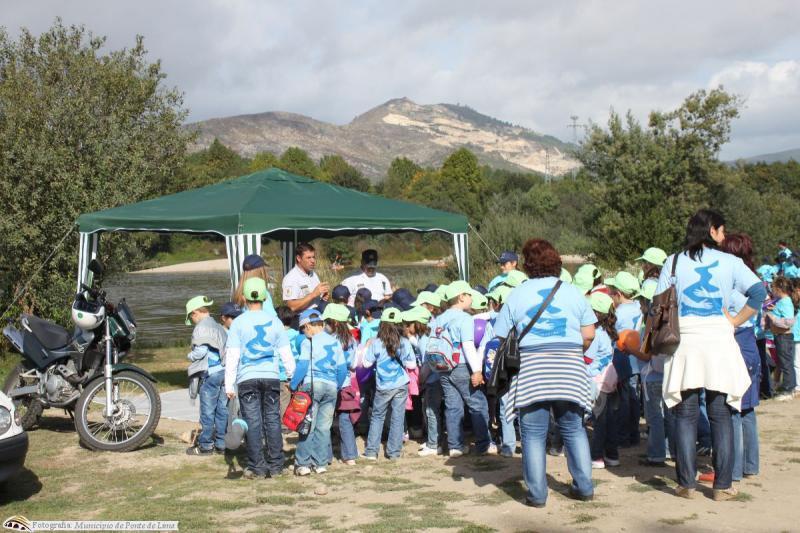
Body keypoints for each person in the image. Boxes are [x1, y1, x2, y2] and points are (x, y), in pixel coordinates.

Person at [656, 209, 765, 501]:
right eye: (722, 230)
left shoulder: (673, 261)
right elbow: (758, 292)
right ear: (712, 231)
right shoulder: (731, 262)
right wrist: (736, 320)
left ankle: (686, 484)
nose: (724, 235)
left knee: (685, 414)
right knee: (721, 414)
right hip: (719, 339)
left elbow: (658, 303)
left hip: (684, 340)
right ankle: (723, 486)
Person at [493, 238, 596, 507]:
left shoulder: (518, 293)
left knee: (533, 434)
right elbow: (589, 334)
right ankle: (584, 486)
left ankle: (537, 495)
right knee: (574, 429)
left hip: (532, 370)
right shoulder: (573, 292)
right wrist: (571, 349)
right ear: (556, 261)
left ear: (527, 264)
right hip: (570, 368)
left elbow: (501, 335)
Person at [224, 278, 296, 479]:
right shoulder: (275, 322)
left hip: (247, 378)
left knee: (253, 422)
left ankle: (257, 467)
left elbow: (232, 356)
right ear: (265, 297)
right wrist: (292, 377)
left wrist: (229, 384)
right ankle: (276, 465)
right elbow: (286, 353)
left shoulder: (238, 323)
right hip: (271, 377)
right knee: (272, 420)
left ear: (244, 298)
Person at [436, 280, 493, 456]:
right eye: (469, 295)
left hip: (442, 367)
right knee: (478, 404)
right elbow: (468, 346)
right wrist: (477, 371)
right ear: (461, 297)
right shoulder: (465, 318)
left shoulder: (439, 319)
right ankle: (484, 444)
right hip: (461, 365)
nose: (471, 299)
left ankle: (455, 446)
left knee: (452, 406)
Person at [290, 308, 349, 475]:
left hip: (312, 386)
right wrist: (336, 385)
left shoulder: (307, 342)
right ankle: (320, 463)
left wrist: (293, 385)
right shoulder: (335, 342)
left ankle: (303, 464)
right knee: (324, 427)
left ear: (308, 326)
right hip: (331, 387)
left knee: (307, 425)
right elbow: (342, 369)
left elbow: (302, 366)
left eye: (303, 329)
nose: (303, 332)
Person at [362, 308, 417, 460]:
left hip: (383, 385)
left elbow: (366, 364)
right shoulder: (404, 342)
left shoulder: (376, 343)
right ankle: (394, 452)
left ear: (382, 325)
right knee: (398, 417)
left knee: (377, 416)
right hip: (401, 384)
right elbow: (412, 365)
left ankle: (371, 452)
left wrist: (367, 346)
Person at [185, 296, 228, 456]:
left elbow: (201, 351)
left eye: (191, 317)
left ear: (195, 313)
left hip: (211, 374)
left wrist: (190, 356)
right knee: (222, 410)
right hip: (225, 372)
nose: (192, 320)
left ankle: (206, 445)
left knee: (208, 410)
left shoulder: (201, 328)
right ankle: (222, 443)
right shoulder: (218, 327)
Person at [604, 271, 642, 448]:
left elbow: (610, 336)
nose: (611, 296)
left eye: (612, 293)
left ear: (618, 294)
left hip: (621, 358)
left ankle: (622, 436)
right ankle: (634, 434)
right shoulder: (638, 307)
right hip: (637, 358)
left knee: (622, 399)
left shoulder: (618, 313)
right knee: (633, 397)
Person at [321, 303, 360, 465]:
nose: (324, 325)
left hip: (327, 383)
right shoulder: (351, 340)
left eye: (326, 322)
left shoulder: (325, 339)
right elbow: (354, 364)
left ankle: (325, 457)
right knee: (345, 420)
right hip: (345, 385)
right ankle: (349, 456)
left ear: (334, 322)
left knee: (325, 420)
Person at [585, 293, 620, 469]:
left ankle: (596, 456)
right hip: (609, 378)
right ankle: (612, 455)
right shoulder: (608, 331)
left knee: (599, 421)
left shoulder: (596, 334)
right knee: (609, 420)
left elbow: (590, 359)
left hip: (597, 380)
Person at [766, 276, 796, 400]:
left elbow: (788, 322)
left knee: (786, 364)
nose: (772, 291)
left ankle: (788, 390)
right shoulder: (782, 301)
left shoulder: (785, 301)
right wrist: (774, 310)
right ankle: (787, 388)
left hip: (784, 337)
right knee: (784, 363)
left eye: (773, 288)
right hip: (780, 337)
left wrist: (772, 317)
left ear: (778, 289)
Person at [282, 242, 329, 313]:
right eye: (308, 258)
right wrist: (313, 294)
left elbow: (316, 297)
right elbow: (291, 306)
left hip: (318, 314)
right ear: (298, 258)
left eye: (313, 257)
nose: (313, 261)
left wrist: (323, 297)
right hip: (301, 318)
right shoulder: (290, 278)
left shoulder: (313, 274)